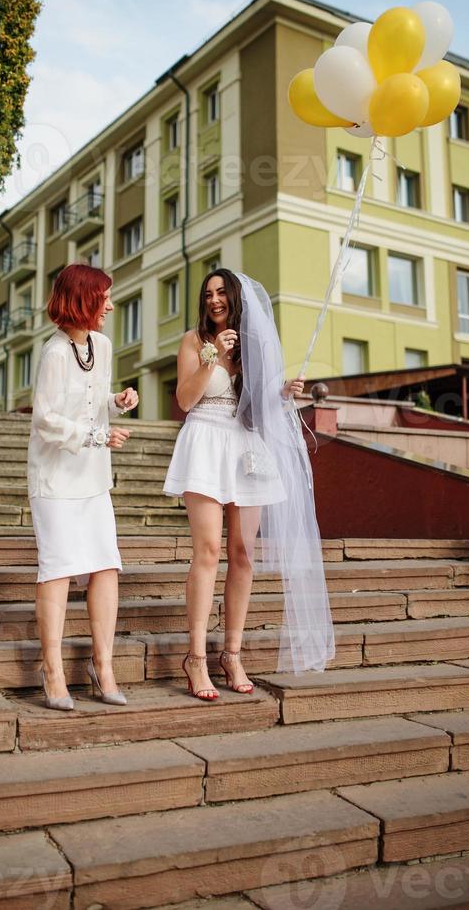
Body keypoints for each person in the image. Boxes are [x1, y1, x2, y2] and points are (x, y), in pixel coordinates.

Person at [163, 269, 335, 701]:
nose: (214, 299)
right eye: (208, 294)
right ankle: (196, 658)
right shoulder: (193, 341)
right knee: (208, 551)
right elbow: (185, 400)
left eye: (221, 292)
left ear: (235, 298)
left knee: (243, 553)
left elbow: (256, 403)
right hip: (204, 439)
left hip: (246, 447)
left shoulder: (254, 345)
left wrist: (282, 392)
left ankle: (232, 654)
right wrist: (212, 357)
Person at [28, 263, 138, 711]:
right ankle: (52, 670)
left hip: (92, 478)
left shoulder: (103, 345)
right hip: (54, 479)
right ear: (83, 299)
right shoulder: (53, 353)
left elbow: (93, 400)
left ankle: (103, 666)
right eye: (105, 297)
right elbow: (46, 419)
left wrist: (118, 402)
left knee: (105, 566)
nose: (111, 305)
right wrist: (95, 435)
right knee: (56, 569)